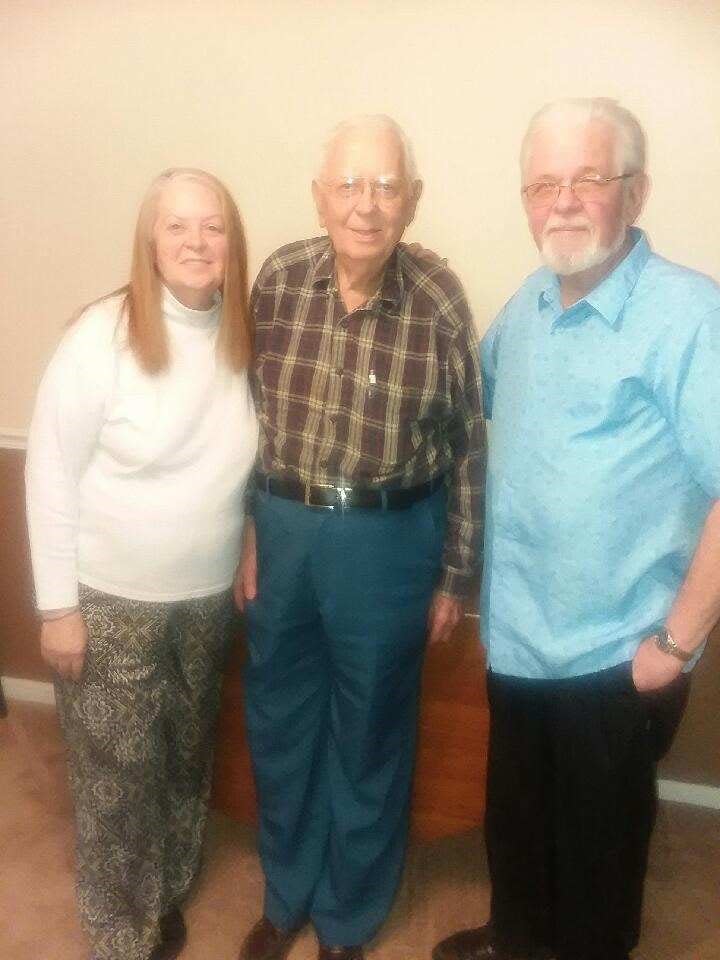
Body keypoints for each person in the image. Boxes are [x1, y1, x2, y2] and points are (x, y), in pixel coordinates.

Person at [434, 98, 720, 960]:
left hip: (616, 656)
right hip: (519, 640)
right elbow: (462, 401)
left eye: (586, 179)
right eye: (543, 183)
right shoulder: (527, 306)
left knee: (599, 862)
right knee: (517, 821)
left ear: (633, 193)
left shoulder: (689, 315)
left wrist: (674, 643)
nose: (562, 201)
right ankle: (515, 937)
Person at [234, 115, 485, 960]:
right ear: (320, 195)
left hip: (387, 542)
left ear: (411, 201)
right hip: (284, 524)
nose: (365, 206)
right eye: (349, 185)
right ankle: (286, 895)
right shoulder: (278, 278)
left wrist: (456, 575)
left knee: (371, 730)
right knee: (280, 720)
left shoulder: (440, 296)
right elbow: (246, 418)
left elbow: (467, 446)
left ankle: (347, 916)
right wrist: (247, 531)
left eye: (384, 186)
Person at [25, 168, 258, 960]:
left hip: (205, 599)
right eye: (178, 227)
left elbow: (249, 464)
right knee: (117, 781)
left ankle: (160, 892)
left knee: (185, 761)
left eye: (213, 227)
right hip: (110, 598)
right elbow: (48, 470)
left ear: (233, 243)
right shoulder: (102, 334)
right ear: (149, 243)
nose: (198, 242)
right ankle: (120, 931)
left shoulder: (241, 333)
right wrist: (57, 608)